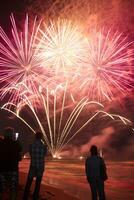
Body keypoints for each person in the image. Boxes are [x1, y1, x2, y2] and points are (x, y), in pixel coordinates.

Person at [23, 132, 47, 200]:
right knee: (38, 183)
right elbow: (44, 155)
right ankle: (35, 196)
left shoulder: (31, 145)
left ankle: (25, 196)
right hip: (40, 166)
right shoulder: (44, 146)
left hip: (33, 166)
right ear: (41, 137)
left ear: (35, 137)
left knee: (29, 182)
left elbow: (31, 154)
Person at [0, 127, 22, 200]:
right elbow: (19, 158)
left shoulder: (1, 143)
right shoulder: (16, 144)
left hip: (2, 170)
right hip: (13, 169)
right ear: (12, 134)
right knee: (13, 189)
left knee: (2, 190)